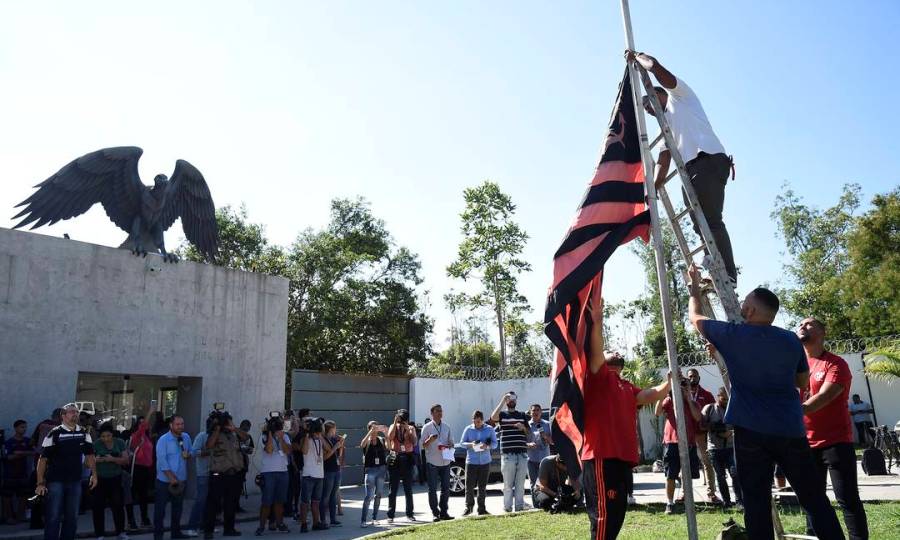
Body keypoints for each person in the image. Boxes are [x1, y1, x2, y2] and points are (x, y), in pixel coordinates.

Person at [687, 264, 844, 540]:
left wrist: (694, 289)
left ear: (750, 311)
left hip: (750, 433)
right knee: (814, 499)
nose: (741, 309)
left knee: (756, 503)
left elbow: (695, 317)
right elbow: (801, 382)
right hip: (790, 429)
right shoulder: (790, 340)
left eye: (744, 304)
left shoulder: (734, 335)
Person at [626, 49, 736, 284]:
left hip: (708, 160)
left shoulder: (681, 97)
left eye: (650, 101)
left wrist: (638, 58)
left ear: (660, 94)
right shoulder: (665, 128)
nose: (649, 108)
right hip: (693, 170)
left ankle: (727, 273)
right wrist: (652, 190)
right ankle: (715, 267)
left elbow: (656, 68)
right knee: (699, 222)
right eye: (646, 108)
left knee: (711, 220)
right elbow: (664, 161)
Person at [581, 293, 672, 540]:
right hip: (601, 455)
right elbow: (597, 352)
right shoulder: (598, 378)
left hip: (621, 459)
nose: (616, 357)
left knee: (617, 514)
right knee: (603, 517)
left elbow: (646, 395)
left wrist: (668, 383)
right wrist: (597, 322)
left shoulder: (625, 385)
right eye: (612, 355)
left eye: (619, 359)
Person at [798, 318, 869, 540]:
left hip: (836, 441)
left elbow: (826, 396)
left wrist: (791, 413)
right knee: (812, 499)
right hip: (805, 443)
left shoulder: (835, 364)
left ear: (822, 332)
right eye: (800, 324)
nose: (802, 326)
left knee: (847, 498)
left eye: (809, 324)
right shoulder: (795, 366)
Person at [35, 402, 98, 540]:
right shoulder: (54, 433)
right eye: (71, 412)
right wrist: (40, 482)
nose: (75, 414)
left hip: (75, 481)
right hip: (56, 481)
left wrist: (94, 474)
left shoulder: (83, 433)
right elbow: (43, 459)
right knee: (53, 516)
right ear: (63, 416)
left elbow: (90, 455)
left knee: (72, 517)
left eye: (76, 412)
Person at [656, 375, 703, 515]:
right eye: (680, 385)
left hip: (688, 443)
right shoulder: (669, 401)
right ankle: (669, 504)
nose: (681, 388)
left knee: (687, 474)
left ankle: (688, 502)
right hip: (672, 443)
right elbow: (657, 412)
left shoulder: (693, 403)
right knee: (670, 475)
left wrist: (688, 397)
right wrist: (665, 390)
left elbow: (697, 417)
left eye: (684, 385)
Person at [204, 411, 247, 539]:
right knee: (213, 504)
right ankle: (208, 531)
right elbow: (209, 445)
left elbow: (245, 437)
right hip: (219, 474)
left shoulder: (234, 434)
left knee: (231, 503)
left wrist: (234, 428)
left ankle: (229, 528)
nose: (227, 424)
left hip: (234, 474)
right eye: (226, 422)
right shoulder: (214, 434)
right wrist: (217, 429)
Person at [701, 387, 742, 509]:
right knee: (720, 476)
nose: (725, 401)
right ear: (717, 396)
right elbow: (702, 425)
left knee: (735, 474)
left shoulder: (733, 408)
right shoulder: (709, 409)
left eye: (727, 399)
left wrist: (730, 432)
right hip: (715, 448)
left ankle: (739, 501)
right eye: (723, 399)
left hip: (730, 447)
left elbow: (739, 424)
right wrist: (716, 427)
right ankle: (727, 502)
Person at [490, 390, 529, 512]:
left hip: (522, 454)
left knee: (520, 484)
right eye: (509, 398)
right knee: (508, 485)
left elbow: (528, 433)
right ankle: (507, 508)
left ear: (516, 400)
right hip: (508, 455)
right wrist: (503, 400)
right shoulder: (502, 415)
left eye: (513, 398)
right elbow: (493, 418)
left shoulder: (522, 415)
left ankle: (519, 507)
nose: (511, 400)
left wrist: (523, 427)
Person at [154, 416, 192, 540]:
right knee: (160, 510)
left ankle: (176, 533)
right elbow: (162, 461)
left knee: (177, 509)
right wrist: (171, 477)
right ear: (171, 425)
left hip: (181, 480)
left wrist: (189, 455)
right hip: (164, 481)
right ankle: (158, 536)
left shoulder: (186, 437)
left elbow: (191, 452)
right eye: (177, 424)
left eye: (182, 424)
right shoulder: (163, 440)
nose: (180, 426)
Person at [685, 368, 719, 503]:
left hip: (701, 434)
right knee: (685, 464)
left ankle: (711, 493)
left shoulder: (707, 394)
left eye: (695, 376)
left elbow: (713, 412)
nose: (693, 378)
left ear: (699, 377)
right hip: (686, 433)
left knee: (707, 462)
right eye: (690, 376)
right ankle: (684, 493)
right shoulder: (682, 394)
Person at [92, 422, 129, 540]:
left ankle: (120, 532)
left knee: (118, 505)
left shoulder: (120, 443)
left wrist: (112, 459)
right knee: (98, 507)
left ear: (112, 435)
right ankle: (99, 534)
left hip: (115, 478)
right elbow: (87, 462)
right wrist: (96, 460)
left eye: (108, 436)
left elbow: (126, 460)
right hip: (100, 478)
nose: (106, 439)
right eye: (103, 436)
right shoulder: (96, 444)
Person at [255, 414, 291, 536]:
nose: (278, 427)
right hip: (268, 472)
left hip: (283, 472)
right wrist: (270, 433)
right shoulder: (263, 437)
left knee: (280, 501)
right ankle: (261, 526)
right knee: (267, 501)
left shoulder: (285, 436)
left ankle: (279, 523)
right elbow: (269, 450)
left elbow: (287, 451)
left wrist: (280, 439)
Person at [459, 410, 497, 516]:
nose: (477, 424)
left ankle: (481, 509)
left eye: (479, 422)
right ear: (473, 420)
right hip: (472, 461)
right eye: (475, 422)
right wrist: (471, 444)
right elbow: (462, 443)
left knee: (482, 487)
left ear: (482, 420)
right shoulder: (468, 429)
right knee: (469, 486)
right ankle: (468, 507)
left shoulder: (489, 429)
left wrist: (487, 446)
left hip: (485, 461)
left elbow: (495, 444)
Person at [420, 404, 454, 522]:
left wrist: (449, 445)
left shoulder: (446, 426)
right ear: (432, 413)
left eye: (441, 411)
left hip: (445, 461)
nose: (440, 413)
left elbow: (452, 442)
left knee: (446, 488)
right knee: (433, 489)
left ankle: (444, 512)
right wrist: (430, 440)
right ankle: (435, 513)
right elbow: (421, 445)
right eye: (437, 411)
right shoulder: (427, 427)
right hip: (432, 462)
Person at [385, 410, 417, 524]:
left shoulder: (411, 428)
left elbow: (414, 442)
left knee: (408, 489)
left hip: (407, 458)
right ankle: (390, 515)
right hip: (395, 457)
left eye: (403, 419)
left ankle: (410, 514)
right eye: (400, 418)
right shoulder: (393, 426)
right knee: (392, 489)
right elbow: (389, 437)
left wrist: (408, 429)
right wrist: (395, 422)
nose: (401, 421)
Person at [126, 410, 155, 531]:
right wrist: (150, 412)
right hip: (136, 468)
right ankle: (131, 520)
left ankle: (144, 518)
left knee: (144, 496)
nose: (145, 424)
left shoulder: (147, 438)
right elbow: (143, 427)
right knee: (132, 495)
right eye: (141, 423)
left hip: (146, 469)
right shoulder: (136, 436)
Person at [2, 420, 34, 525]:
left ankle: (21, 515)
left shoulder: (27, 440)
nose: (24, 430)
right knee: (7, 497)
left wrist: (20, 452)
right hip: (10, 474)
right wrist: (20, 454)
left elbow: (35, 451)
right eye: (21, 427)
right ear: (15, 428)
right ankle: (9, 517)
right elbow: (8, 457)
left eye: (25, 427)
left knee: (24, 495)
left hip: (23, 473)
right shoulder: (9, 442)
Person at [298, 419, 326, 533]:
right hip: (308, 475)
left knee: (316, 501)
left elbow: (328, 449)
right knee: (305, 502)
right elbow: (304, 451)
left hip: (319, 475)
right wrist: (306, 434)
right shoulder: (306, 439)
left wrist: (320, 436)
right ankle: (303, 524)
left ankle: (316, 523)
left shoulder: (320, 439)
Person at [359, 421, 387, 528]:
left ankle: (374, 518)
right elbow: (362, 444)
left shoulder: (381, 439)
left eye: (377, 427)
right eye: (373, 427)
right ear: (369, 428)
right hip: (370, 470)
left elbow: (388, 447)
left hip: (381, 469)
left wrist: (386, 434)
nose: (376, 429)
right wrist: (370, 432)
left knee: (378, 495)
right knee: (368, 496)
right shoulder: (367, 440)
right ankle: (363, 520)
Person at [184, 422, 210, 538]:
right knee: (200, 500)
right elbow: (193, 452)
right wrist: (207, 452)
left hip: (215, 472)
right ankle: (192, 526)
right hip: (203, 474)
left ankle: (207, 526)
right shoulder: (202, 436)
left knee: (211, 501)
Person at [319, 421, 345, 528]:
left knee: (333, 495)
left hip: (336, 469)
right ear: (331, 429)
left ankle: (333, 519)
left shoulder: (333, 439)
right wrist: (335, 448)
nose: (336, 430)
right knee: (326, 496)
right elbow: (324, 457)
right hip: (328, 470)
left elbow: (339, 455)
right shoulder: (323, 440)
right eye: (334, 428)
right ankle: (323, 520)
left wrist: (341, 445)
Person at [525, 404, 552, 501]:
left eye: (537, 410)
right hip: (531, 459)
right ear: (530, 413)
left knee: (546, 482)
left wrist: (545, 436)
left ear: (541, 412)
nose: (535, 412)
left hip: (545, 460)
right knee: (533, 483)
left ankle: (547, 501)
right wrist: (528, 445)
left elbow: (552, 441)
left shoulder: (547, 424)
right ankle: (536, 503)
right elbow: (522, 442)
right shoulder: (527, 425)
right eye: (533, 410)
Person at [237, 420, 254, 515]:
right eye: (244, 429)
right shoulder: (234, 435)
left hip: (243, 464)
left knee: (240, 487)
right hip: (233, 464)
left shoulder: (248, 437)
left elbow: (251, 450)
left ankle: (237, 505)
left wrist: (245, 450)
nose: (246, 431)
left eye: (247, 429)